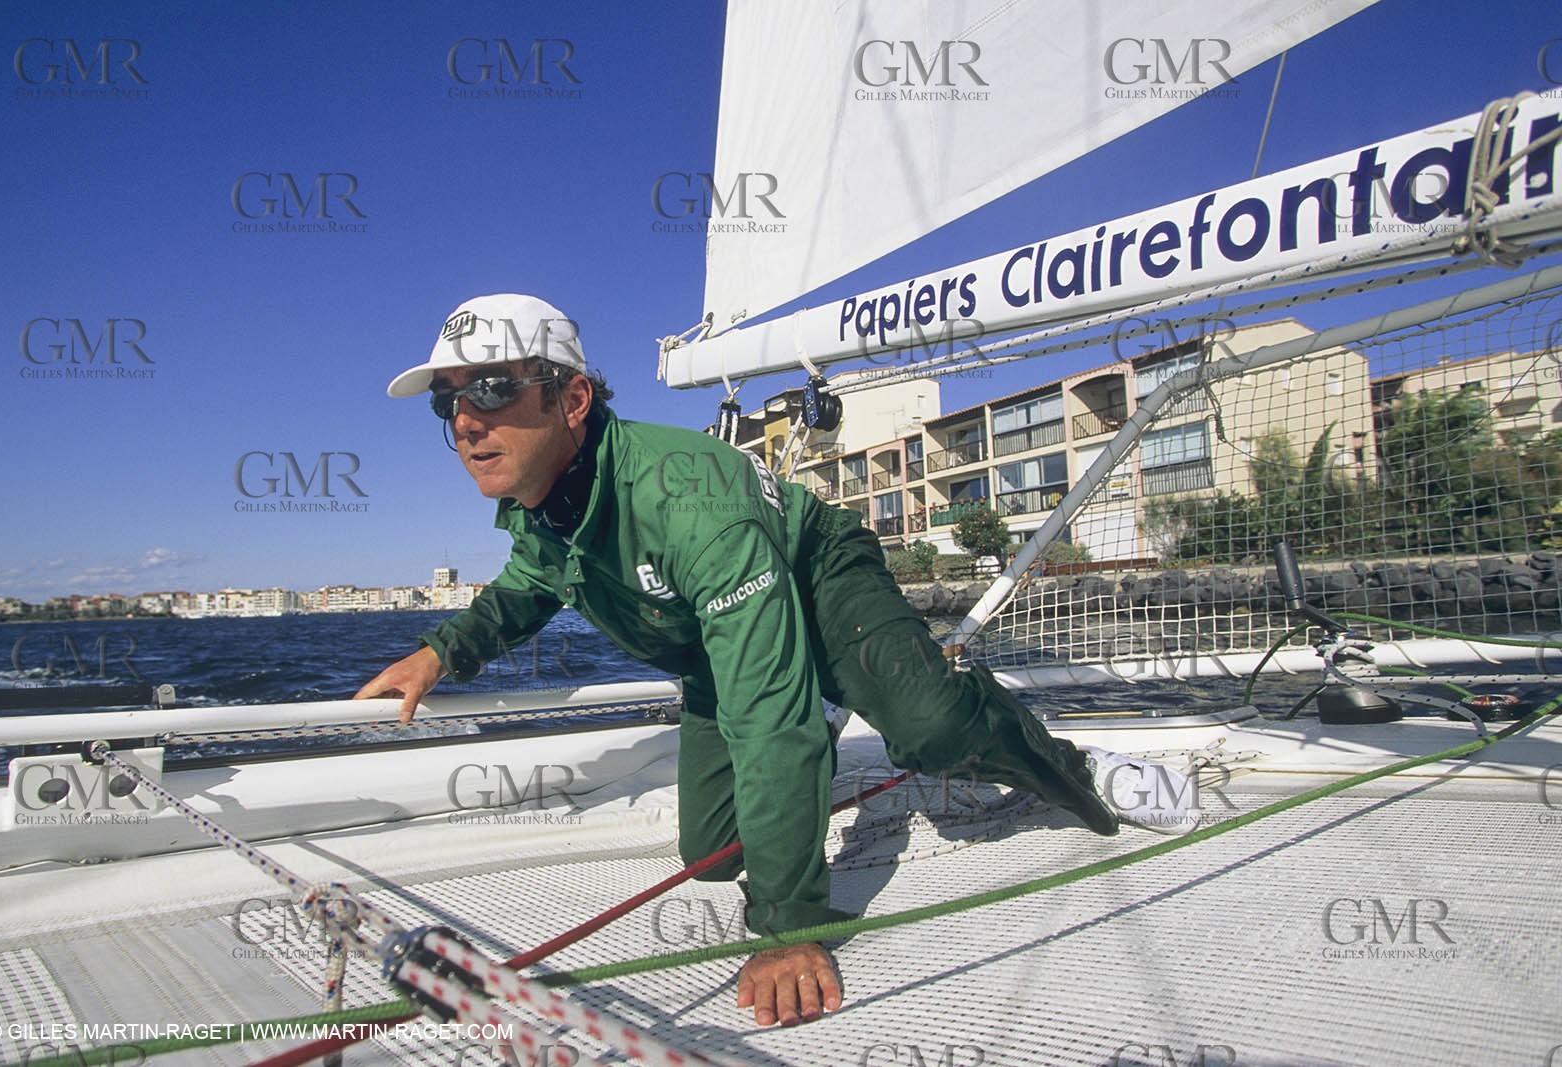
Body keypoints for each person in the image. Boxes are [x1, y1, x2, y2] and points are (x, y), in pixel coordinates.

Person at [355, 293, 1199, 1029]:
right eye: (449, 400)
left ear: (573, 398)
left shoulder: (689, 501)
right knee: (716, 855)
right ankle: (831, 712)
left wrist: (791, 927)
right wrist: (441, 650)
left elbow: (768, 713)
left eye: (494, 388)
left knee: (929, 726)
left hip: (816, 574)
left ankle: (1078, 766)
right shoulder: (545, 511)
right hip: (721, 649)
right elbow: (528, 588)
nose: (467, 418)